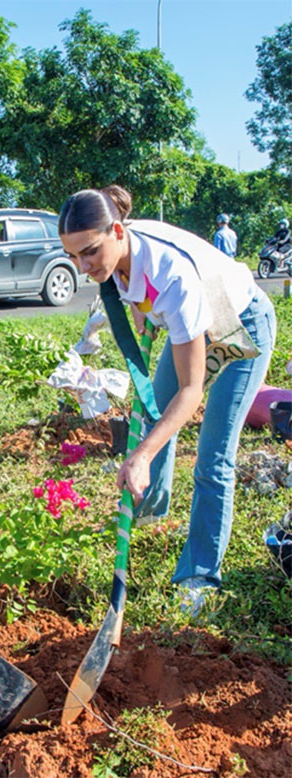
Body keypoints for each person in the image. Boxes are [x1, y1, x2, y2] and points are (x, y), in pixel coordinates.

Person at [59, 186, 276, 616]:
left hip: (240, 327)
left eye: (89, 253)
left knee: (213, 454)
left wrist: (140, 455)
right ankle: (150, 508)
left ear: (116, 231)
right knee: (153, 413)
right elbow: (134, 287)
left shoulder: (172, 278)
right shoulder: (116, 255)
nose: (83, 267)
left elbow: (190, 391)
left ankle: (200, 574)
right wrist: (141, 307)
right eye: (73, 256)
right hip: (195, 325)